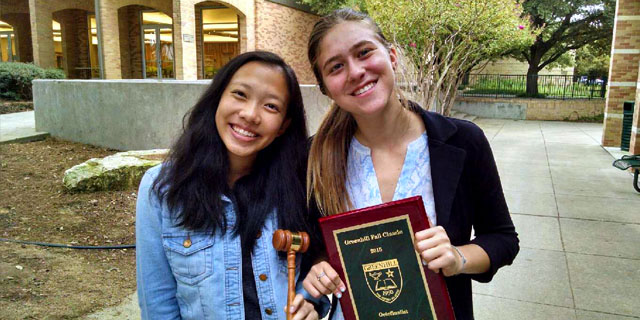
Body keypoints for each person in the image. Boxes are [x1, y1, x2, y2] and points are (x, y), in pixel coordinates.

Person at [301, 8, 519, 320]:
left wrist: (458, 257)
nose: (355, 71)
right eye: (336, 67)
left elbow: (502, 239)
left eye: (364, 52)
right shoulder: (314, 159)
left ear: (391, 56)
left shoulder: (463, 142)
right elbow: (312, 251)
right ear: (325, 87)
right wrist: (318, 270)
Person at [136, 51, 320, 320]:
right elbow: (157, 305)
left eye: (271, 106)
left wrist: (310, 303)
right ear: (218, 98)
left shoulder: (299, 185)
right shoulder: (162, 189)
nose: (249, 114)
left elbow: (314, 274)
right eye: (240, 94)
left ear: (283, 125)